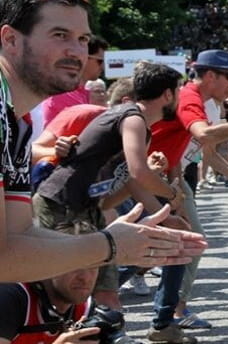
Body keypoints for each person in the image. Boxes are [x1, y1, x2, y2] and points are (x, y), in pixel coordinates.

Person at [0, 0, 205, 284]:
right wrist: (109, 245)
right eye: (60, 35)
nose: (76, 51)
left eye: (83, 39)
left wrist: (118, 244)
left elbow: (19, 236)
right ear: (10, 39)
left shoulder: (19, 122)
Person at [32, 63, 186, 311]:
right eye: (178, 92)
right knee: (58, 295)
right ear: (168, 95)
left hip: (87, 210)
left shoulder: (138, 125)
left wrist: (164, 216)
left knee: (107, 294)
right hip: (59, 205)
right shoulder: (132, 118)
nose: (179, 99)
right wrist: (173, 194)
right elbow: (139, 173)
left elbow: (128, 185)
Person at [145, 49, 228, 343]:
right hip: (145, 175)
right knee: (168, 245)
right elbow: (203, 137)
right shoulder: (189, 97)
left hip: (163, 175)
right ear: (210, 75)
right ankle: (164, 313)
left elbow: (202, 152)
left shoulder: (204, 102)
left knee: (183, 242)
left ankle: (168, 315)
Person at [0, 222, 133, 344]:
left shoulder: (84, 308)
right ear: (49, 264)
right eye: (75, 266)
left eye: (93, 266)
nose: (85, 278)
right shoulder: (11, 298)